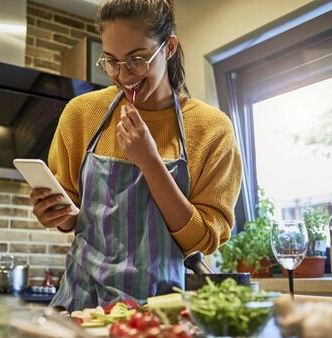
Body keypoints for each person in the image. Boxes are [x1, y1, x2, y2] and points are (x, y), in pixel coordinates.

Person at [29, 0, 242, 312]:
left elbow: (202, 240)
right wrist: (56, 215)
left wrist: (151, 162)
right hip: (81, 305)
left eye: (137, 59)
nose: (123, 75)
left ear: (168, 47)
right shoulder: (81, 114)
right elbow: (75, 217)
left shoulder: (212, 128)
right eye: (111, 61)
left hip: (161, 311)